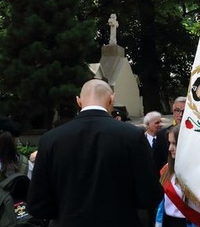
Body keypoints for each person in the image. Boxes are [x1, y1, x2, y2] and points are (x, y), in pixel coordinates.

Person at [27, 79, 163, 227]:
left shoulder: (51, 139)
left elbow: (38, 204)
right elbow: (150, 195)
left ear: (79, 101)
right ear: (111, 99)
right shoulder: (132, 136)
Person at [155, 126, 200, 227]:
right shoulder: (166, 169)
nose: (170, 148)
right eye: (169, 143)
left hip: (190, 223)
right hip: (168, 222)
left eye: (174, 144)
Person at [154, 97, 186, 173]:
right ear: (173, 111)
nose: (180, 114)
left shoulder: (196, 134)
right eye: (177, 110)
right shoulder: (162, 135)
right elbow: (157, 163)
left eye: (184, 111)